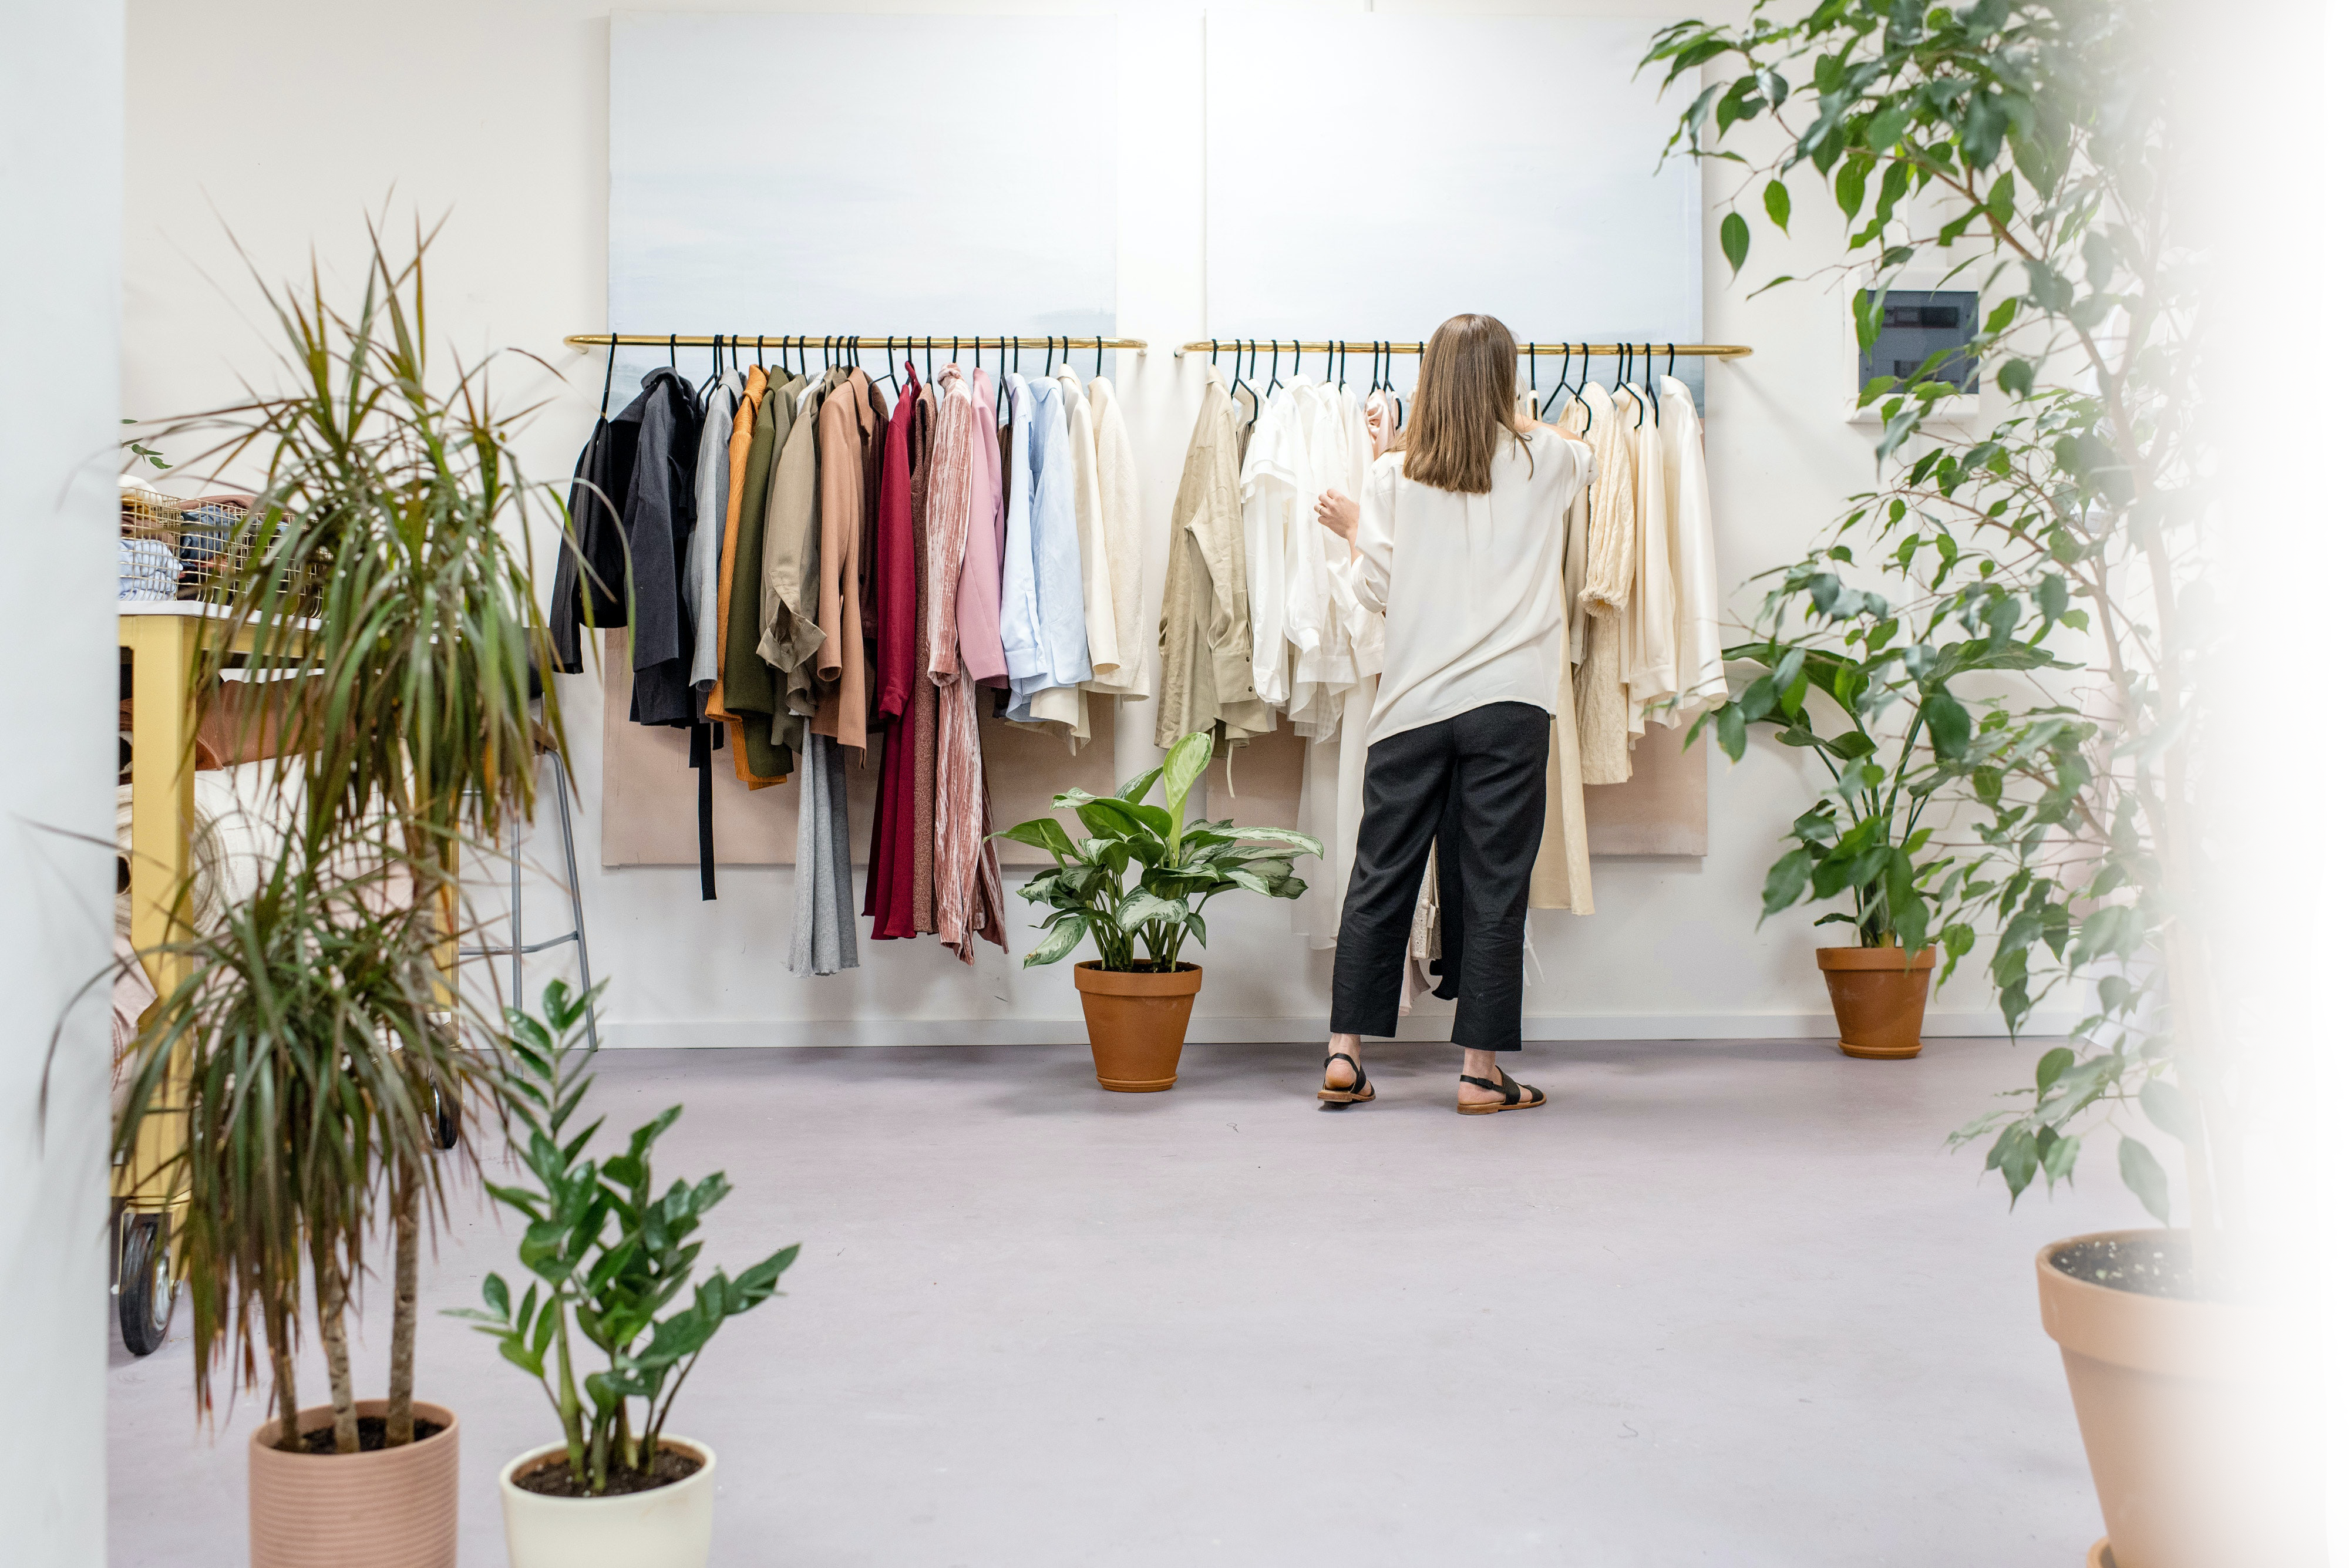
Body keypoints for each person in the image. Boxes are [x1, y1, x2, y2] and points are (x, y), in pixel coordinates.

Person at [1310, 314, 1589, 1114]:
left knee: (1379, 874)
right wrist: (1510, 412)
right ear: (1507, 381)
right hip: (1510, 702)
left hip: (1413, 705)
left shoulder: (1394, 476)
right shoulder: (1546, 460)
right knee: (1494, 885)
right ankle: (1477, 1073)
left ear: (1427, 378)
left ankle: (1344, 1056)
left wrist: (1365, 529)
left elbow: (1376, 590)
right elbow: (1589, 458)